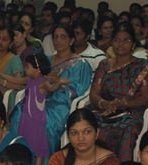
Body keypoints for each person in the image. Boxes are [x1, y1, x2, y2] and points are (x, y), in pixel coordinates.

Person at [11, 24, 94, 155]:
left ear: (71, 40)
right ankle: (18, 157)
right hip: (39, 97)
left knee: (45, 121)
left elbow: (78, 90)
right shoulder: (45, 61)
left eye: (63, 37)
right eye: (56, 37)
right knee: (19, 112)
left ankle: (42, 163)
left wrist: (58, 84)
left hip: (60, 103)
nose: (58, 40)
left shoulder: (80, 64)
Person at [88, 23, 148, 161]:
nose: (120, 44)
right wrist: (104, 104)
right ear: (111, 43)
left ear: (133, 44)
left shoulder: (143, 66)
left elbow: (146, 97)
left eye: (126, 40)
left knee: (127, 128)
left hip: (130, 112)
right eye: (116, 40)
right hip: (103, 110)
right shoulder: (104, 65)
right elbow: (93, 94)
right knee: (84, 122)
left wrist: (123, 103)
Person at [17, 53, 54, 165]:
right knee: (25, 145)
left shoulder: (43, 82)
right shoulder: (29, 81)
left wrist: (60, 82)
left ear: (37, 69)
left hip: (36, 121)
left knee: (38, 149)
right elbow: (16, 81)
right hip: (26, 119)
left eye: (27, 67)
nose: (25, 69)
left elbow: (52, 88)